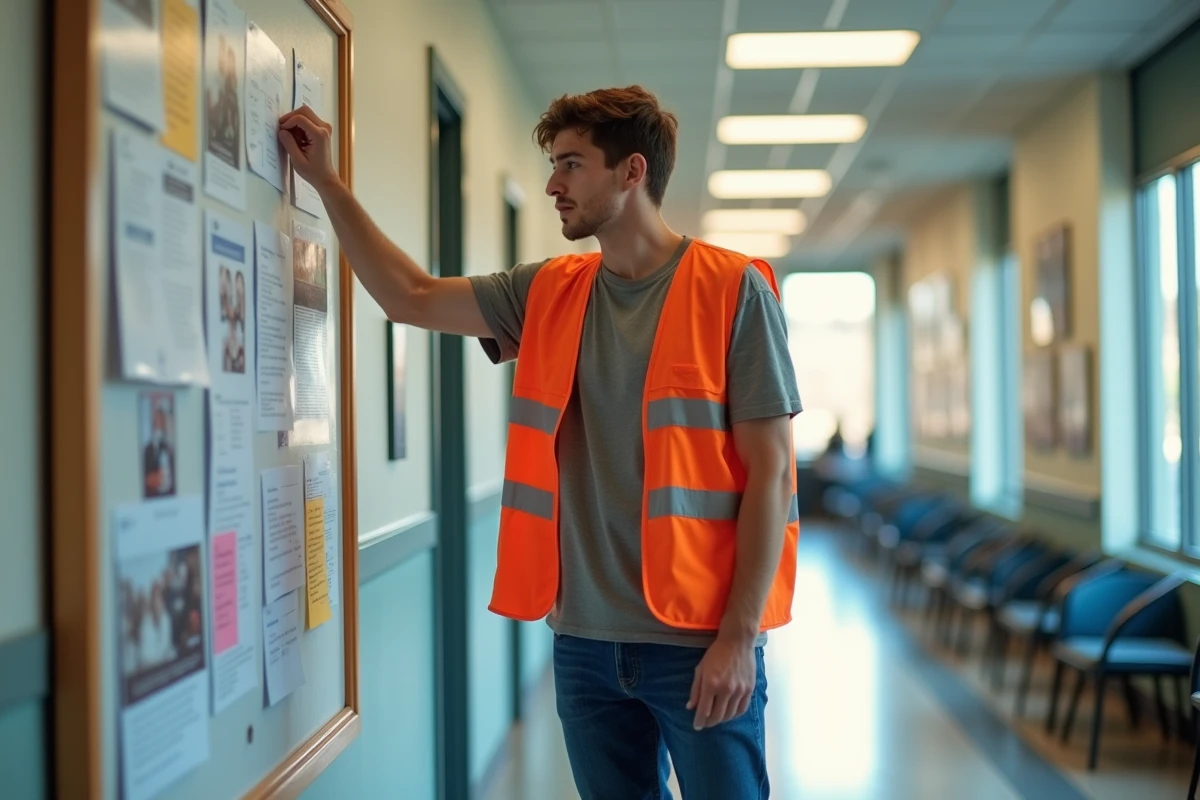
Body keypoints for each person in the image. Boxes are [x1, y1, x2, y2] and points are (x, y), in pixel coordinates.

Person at [278, 85, 802, 799]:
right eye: (554, 165)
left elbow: (770, 475)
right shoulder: (548, 292)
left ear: (632, 172)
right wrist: (327, 183)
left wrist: (739, 638)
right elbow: (408, 296)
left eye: (572, 165)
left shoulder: (734, 291)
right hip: (584, 642)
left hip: (700, 643)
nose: (553, 185)